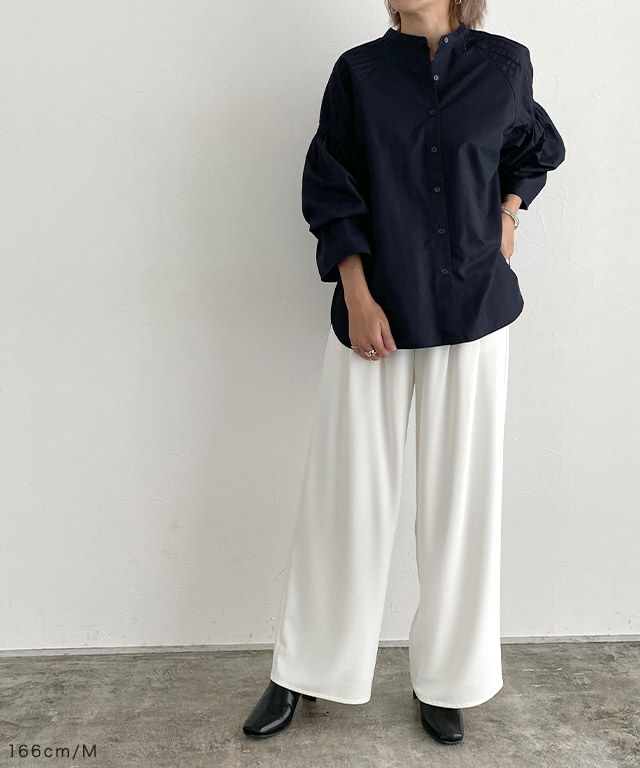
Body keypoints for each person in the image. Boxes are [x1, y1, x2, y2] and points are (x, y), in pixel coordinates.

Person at [243, 0, 565, 744]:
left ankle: (449, 679)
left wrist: (509, 214)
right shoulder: (359, 73)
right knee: (345, 494)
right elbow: (331, 185)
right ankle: (305, 670)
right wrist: (357, 296)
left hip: (474, 308)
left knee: (461, 502)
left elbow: (533, 147)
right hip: (376, 314)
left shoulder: (504, 65)